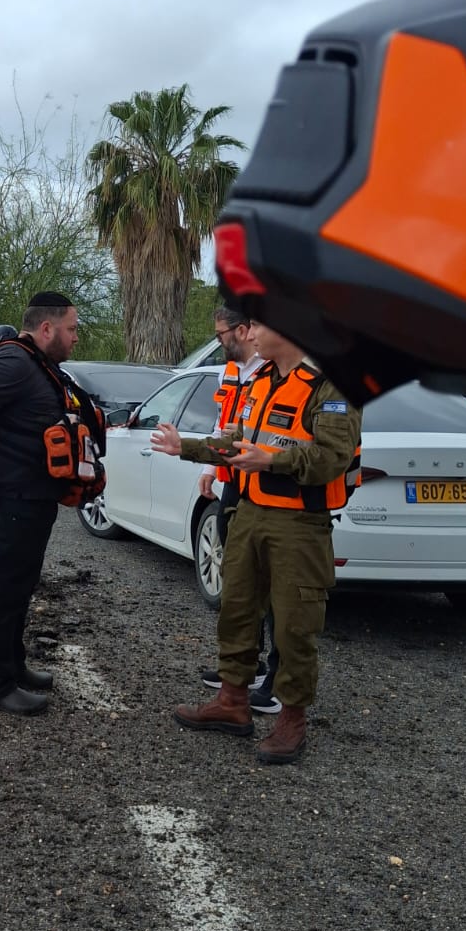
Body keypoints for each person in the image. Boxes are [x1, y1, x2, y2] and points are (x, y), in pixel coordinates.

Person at [151, 321, 361, 766]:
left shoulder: (331, 385)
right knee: (237, 610)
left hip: (299, 524)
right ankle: (232, 701)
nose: (250, 335)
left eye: (259, 325)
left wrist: (272, 460)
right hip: (249, 513)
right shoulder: (261, 380)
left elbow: (332, 458)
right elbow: (238, 441)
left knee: (294, 624)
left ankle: (292, 719)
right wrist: (186, 447)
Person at [0, 292, 81, 715]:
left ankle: (13, 665)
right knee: (2, 594)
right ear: (47, 328)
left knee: (19, 590)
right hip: (9, 499)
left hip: (33, 499)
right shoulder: (14, 361)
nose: (76, 337)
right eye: (72, 329)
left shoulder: (38, 364)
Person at [198, 306, 281, 715]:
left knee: (276, 587)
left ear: (243, 330)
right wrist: (209, 471)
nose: (218, 342)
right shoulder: (228, 373)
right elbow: (224, 426)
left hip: (275, 491)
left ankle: (277, 678)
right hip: (235, 483)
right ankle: (247, 664)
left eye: (221, 335)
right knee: (240, 579)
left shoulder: (276, 373)